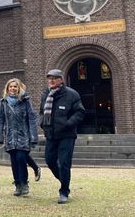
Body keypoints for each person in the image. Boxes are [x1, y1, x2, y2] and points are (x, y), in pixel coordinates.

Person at [40, 69, 85, 204]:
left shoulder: (72, 94)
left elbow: (80, 112)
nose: (51, 81)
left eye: (54, 78)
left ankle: (64, 191)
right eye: (49, 78)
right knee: (49, 161)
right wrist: (41, 122)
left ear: (61, 80)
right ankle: (65, 180)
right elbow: (41, 111)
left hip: (67, 135)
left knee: (64, 163)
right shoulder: (45, 94)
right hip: (51, 134)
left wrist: (68, 123)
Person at [0, 78, 38, 196]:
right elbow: (0, 119)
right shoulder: (3, 102)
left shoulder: (25, 101)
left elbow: (32, 118)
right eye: (11, 86)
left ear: (19, 88)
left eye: (15, 86)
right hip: (10, 136)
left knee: (21, 158)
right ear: (7, 88)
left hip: (23, 136)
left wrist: (34, 137)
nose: (13, 88)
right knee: (14, 161)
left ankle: (24, 183)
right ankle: (18, 184)